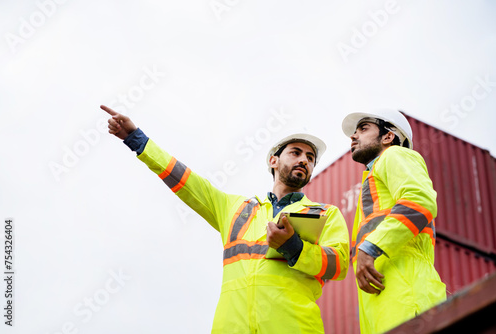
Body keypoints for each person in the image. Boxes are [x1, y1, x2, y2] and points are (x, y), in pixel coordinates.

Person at [101, 105, 349, 334]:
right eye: (296, 152)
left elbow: (340, 265)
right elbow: (185, 181)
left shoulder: (324, 213)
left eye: (310, 158)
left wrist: (294, 248)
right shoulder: (234, 208)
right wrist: (135, 139)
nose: (304, 160)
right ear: (273, 161)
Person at [341, 109, 446, 333]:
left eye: (363, 128)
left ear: (388, 137)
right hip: (385, 296)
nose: (353, 135)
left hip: (405, 290)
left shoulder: (395, 155)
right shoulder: (371, 178)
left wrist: (369, 248)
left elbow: (420, 201)